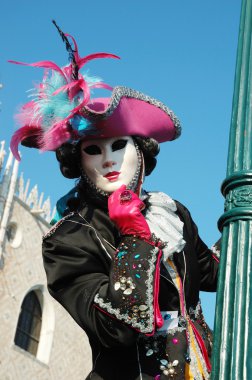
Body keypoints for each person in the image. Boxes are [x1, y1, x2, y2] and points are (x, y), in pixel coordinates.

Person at [10, 24, 220, 380]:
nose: (108, 160)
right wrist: (134, 238)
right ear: (80, 162)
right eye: (93, 150)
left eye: (118, 145)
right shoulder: (68, 239)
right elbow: (116, 329)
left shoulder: (171, 211)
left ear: (141, 150)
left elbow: (215, 273)